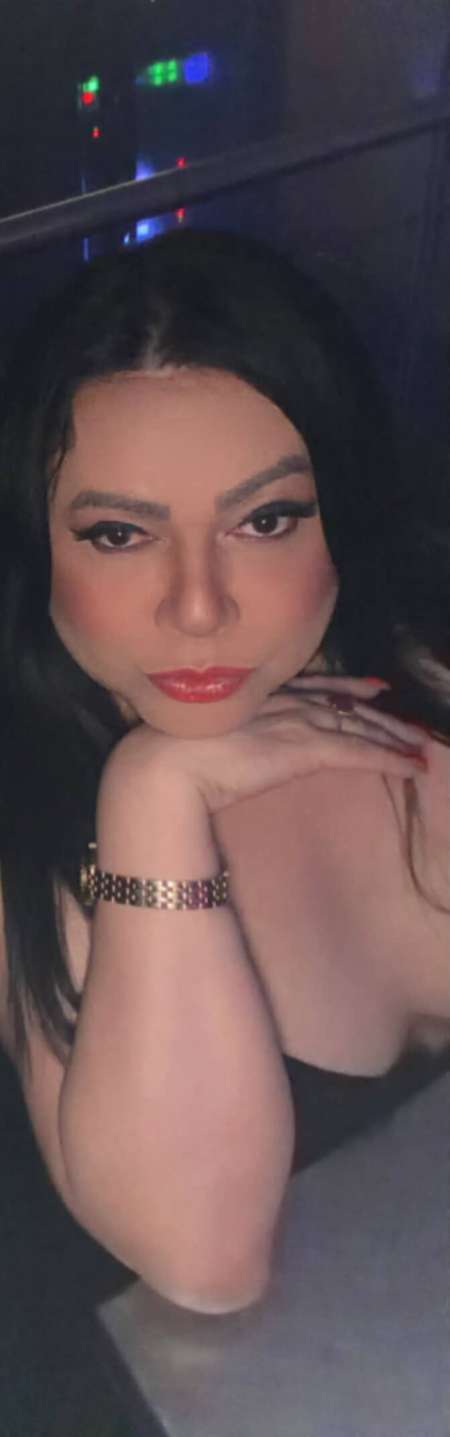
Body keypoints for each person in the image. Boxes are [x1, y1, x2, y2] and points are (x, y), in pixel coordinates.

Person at [0, 227, 448, 1315]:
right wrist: (154, 798)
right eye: (118, 534)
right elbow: (203, 1261)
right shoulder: (29, 833)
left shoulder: (420, 671)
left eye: (265, 520)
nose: (198, 608)